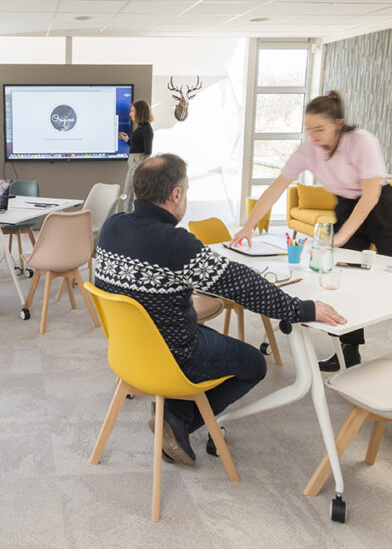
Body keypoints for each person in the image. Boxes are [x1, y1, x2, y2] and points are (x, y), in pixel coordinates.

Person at [96, 154, 346, 465]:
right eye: (187, 189)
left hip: (127, 352)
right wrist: (302, 309)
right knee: (254, 363)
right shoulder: (176, 243)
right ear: (176, 194)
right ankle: (179, 419)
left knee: (200, 327)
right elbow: (242, 285)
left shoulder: (111, 226)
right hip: (174, 355)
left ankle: (176, 412)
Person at [232, 91, 392, 372]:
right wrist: (248, 226)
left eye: (319, 129)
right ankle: (348, 351)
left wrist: (342, 236)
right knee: (343, 279)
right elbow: (276, 188)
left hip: (381, 207)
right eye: (308, 129)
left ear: (338, 124)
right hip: (346, 206)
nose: (313, 136)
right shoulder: (308, 150)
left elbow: (370, 196)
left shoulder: (362, 142)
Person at [119, 100, 154, 212]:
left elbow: (148, 152)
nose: (130, 114)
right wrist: (127, 140)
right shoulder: (140, 127)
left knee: (136, 196)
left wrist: (140, 167)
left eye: (133, 111)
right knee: (127, 193)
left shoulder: (147, 129)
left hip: (138, 164)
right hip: (132, 163)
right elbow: (136, 146)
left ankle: (135, 217)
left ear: (140, 112)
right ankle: (127, 216)